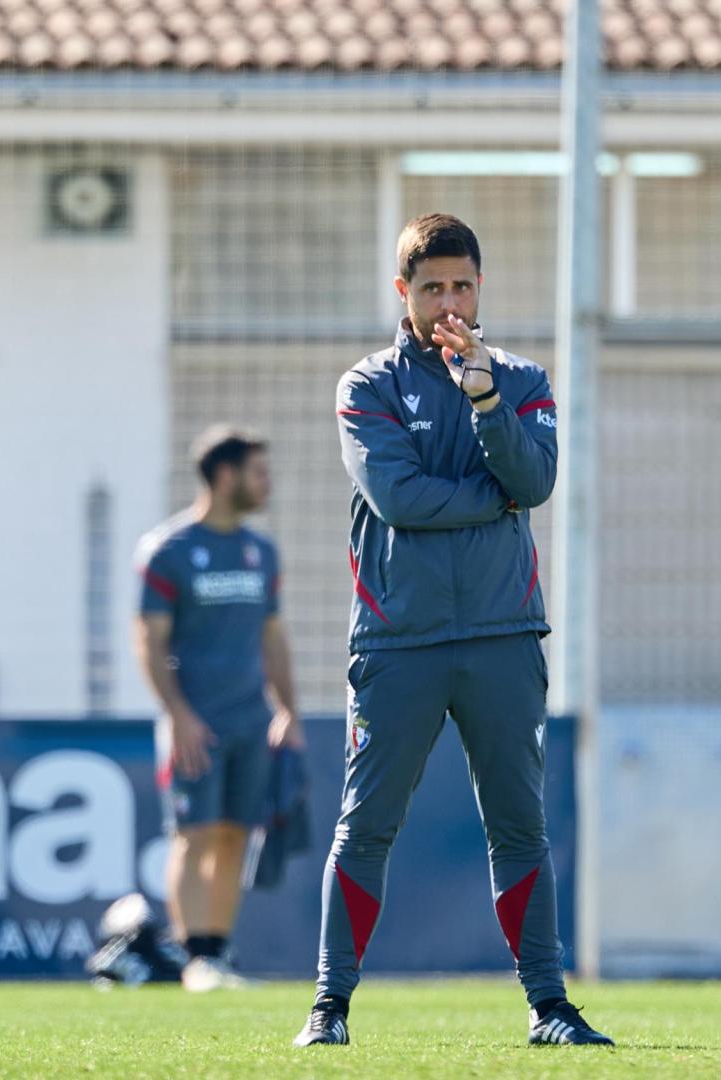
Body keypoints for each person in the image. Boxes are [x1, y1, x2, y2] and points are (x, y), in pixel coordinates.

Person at [293, 214, 612, 1048]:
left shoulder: (521, 379)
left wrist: (484, 400)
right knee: (366, 826)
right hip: (398, 641)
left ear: (480, 286)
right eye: (431, 288)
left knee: (520, 826)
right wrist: (491, 499)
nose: (449, 305)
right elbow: (400, 500)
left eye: (461, 287)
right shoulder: (367, 386)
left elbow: (533, 480)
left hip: (504, 635)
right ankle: (329, 1008)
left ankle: (550, 1007)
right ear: (403, 292)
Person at [130, 426, 302, 992]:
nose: (267, 482)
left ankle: (217, 954)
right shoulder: (169, 550)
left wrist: (288, 709)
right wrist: (176, 713)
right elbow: (148, 641)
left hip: (252, 720)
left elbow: (272, 637)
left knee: (234, 835)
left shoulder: (261, 552)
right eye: (258, 472)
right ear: (225, 476)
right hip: (195, 723)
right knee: (194, 835)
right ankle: (191, 958)